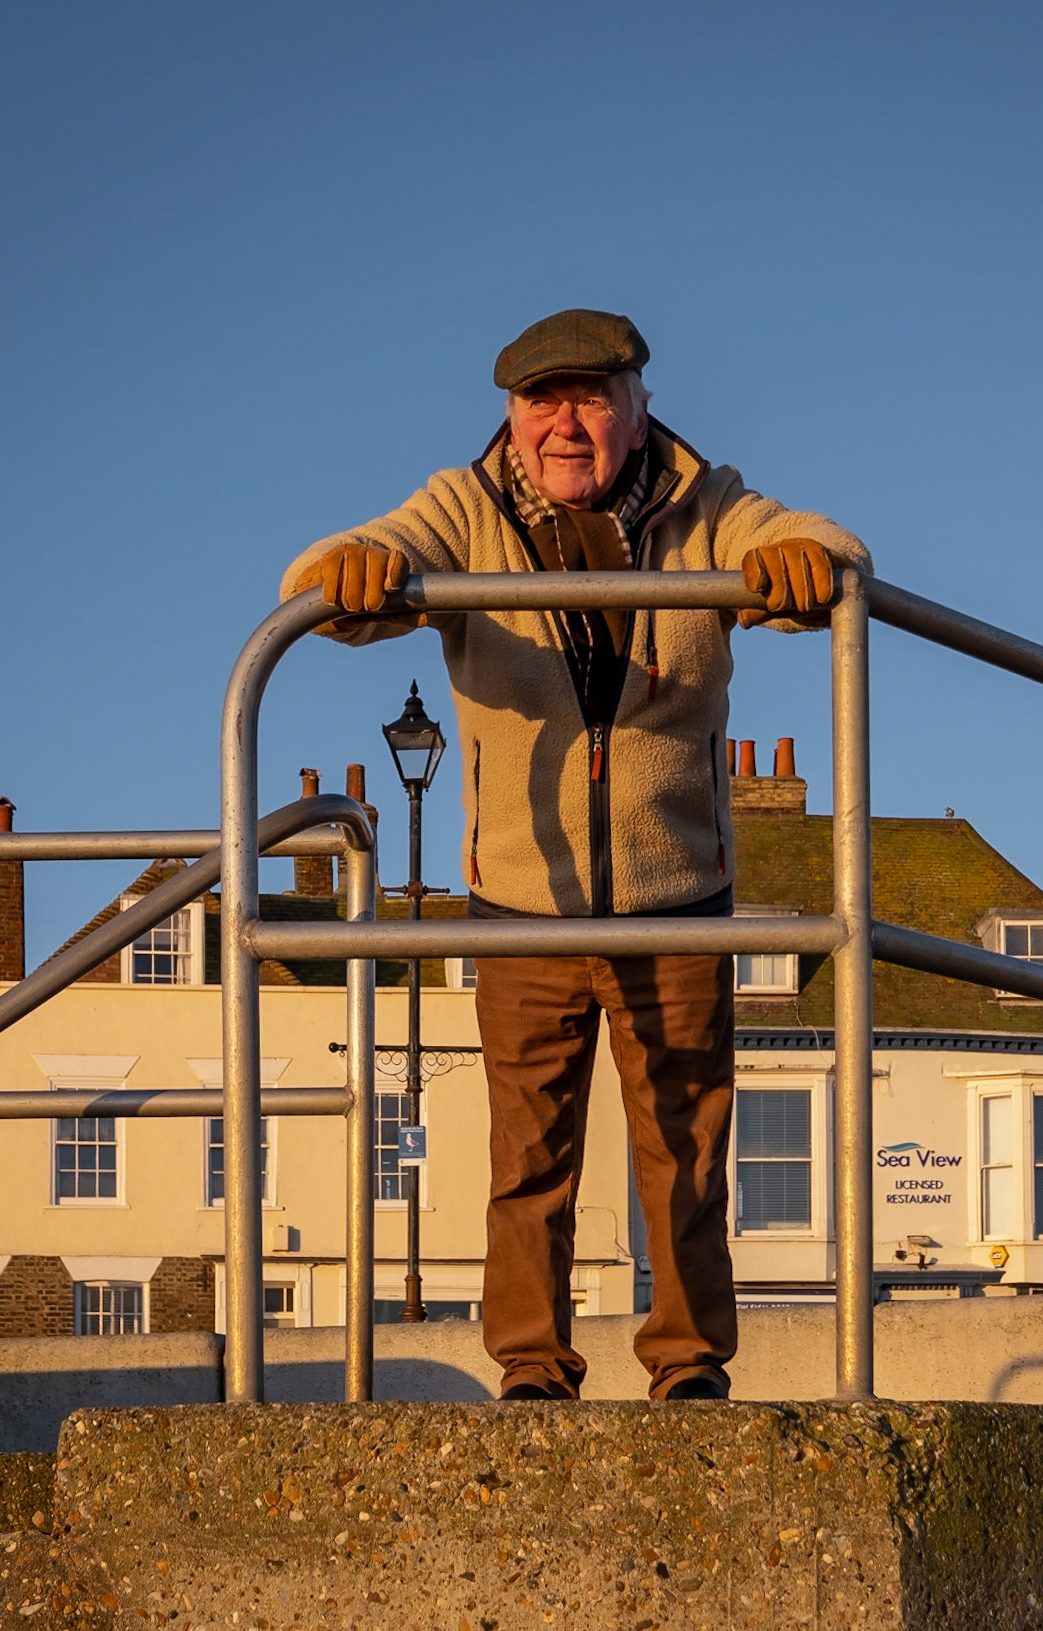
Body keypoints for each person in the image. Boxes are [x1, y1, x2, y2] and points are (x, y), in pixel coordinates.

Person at [281, 309, 869, 1401]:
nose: (564, 422)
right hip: (521, 900)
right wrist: (350, 568)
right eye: (540, 400)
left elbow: (824, 546)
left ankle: (689, 1367)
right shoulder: (465, 504)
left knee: (685, 1158)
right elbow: (341, 569)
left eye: (590, 397)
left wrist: (799, 560)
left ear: (637, 406)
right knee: (528, 1160)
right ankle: (531, 1370)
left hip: (676, 897)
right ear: (509, 415)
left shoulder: (705, 498)